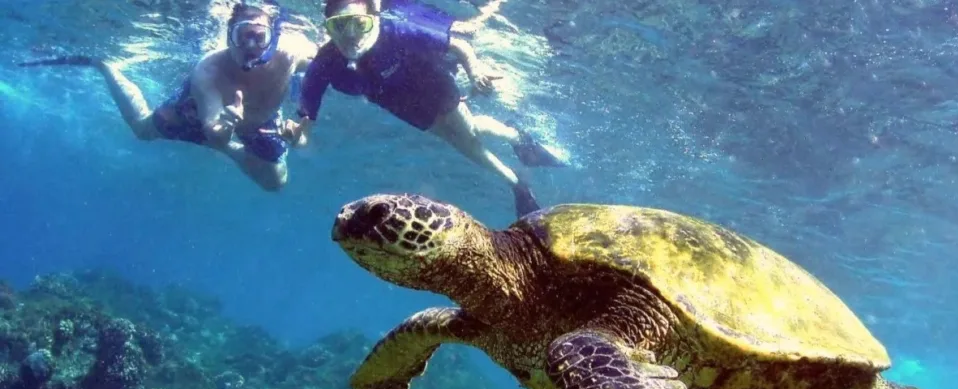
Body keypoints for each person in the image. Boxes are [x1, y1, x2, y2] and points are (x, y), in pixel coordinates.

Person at [291, 0, 565, 217]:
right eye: (339, 26)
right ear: (327, 27)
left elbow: (459, 44)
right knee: (459, 138)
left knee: (467, 137)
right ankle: (518, 140)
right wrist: (297, 137)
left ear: (373, 18)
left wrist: (475, 72)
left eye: (358, 24)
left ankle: (517, 184)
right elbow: (305, 129)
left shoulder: (394, 29)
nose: (350, 35)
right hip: (397, 102)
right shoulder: (325, 62)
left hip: (429, 80)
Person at [19, 2, 317, 192]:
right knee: (143, 129)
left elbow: (329, 58)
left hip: (259, 121)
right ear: (229, 36)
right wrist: (226, 126)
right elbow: (213, 131)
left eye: (259, 36)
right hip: (204, 113)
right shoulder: (208, 70)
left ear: (272, 37)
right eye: (242, 36)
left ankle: (232, 149)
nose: (250, 45)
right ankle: (104, 65)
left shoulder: (290, 53)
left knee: (275, 182)